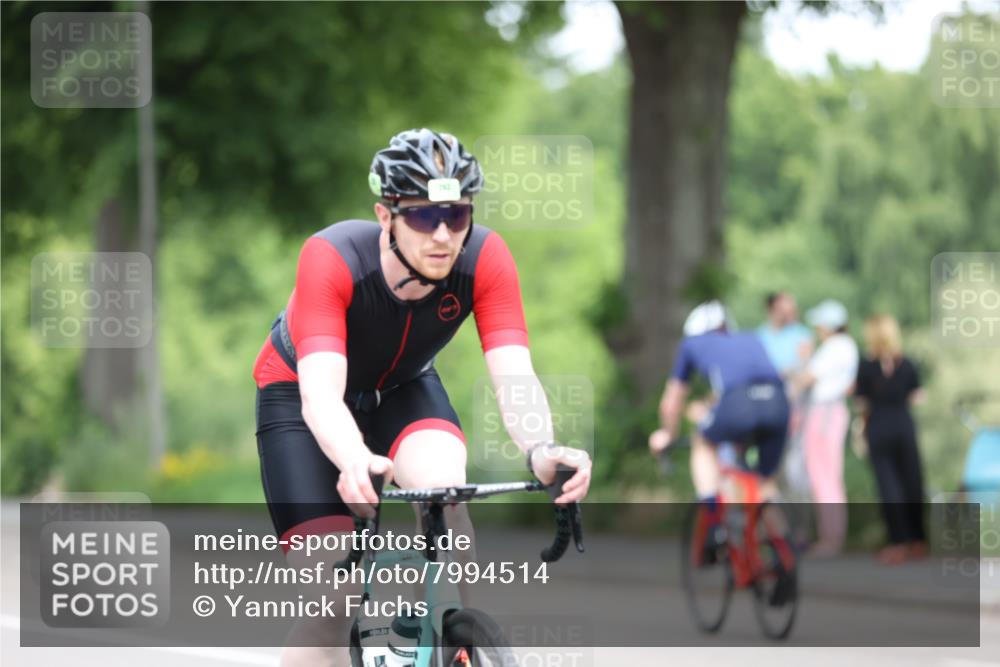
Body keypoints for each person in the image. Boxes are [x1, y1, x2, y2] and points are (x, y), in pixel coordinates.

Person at [252, 128, 592, 667]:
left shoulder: (486, 258)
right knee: (332, 602)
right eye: (421, 216)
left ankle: (443, 639)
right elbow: (320, 397)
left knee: (445, 493)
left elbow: (515, 375)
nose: (442, 235)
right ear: (385, 216)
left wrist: (541, 448)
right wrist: (353, 459)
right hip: (299, 396)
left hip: (404, 387)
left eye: (456, 216)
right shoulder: (332, 256)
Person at [648, 300, 790, 506]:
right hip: (778, 402)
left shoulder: (691, 343)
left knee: (703, 442)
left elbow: (672, 400)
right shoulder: (751, 338)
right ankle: (784, 536)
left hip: (739, 404)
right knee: (766, 483)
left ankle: (712, 513)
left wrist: (668, 434)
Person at [854, 314, 927, 565]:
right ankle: (918, 540)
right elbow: (918, 396)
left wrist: (861, 429)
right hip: (903, 425)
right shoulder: (906, 363)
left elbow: (861, 402)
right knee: (912, 481)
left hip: (879, 425)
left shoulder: (866, 365)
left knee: (889, 486)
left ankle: (898, 542)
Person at [792, 299, 858, 557]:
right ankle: (831, 535)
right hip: (831, 412)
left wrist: (803, 362)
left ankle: (830, 538)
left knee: (823, 477)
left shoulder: (834, 347)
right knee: (828, 476)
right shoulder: (846, 346)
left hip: (824, 414)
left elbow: (806, 379)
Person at [757, 291, 813, 380]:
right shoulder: (759, 335)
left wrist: (783, 373)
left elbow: (804, 360)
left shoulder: (801, 333)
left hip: (791, 383)